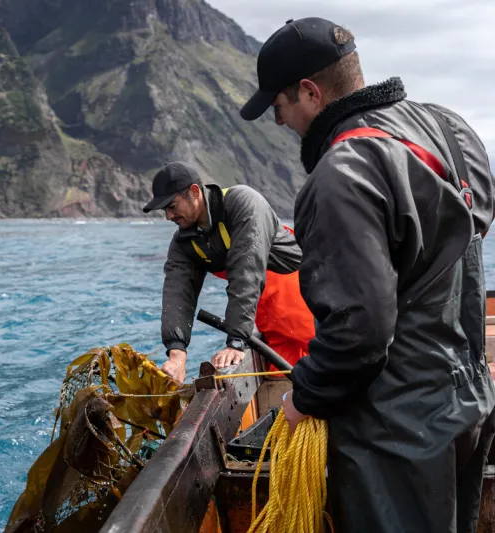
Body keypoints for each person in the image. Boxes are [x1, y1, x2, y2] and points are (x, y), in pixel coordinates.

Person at [240, 16, 495, 533]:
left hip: (398, 430)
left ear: (310, 93)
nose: (279, 122)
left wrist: (302, 398)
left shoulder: (341, 173)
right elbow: (478, 217)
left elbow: (360, 331)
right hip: (470, 402)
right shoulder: (449, 127)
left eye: (279, 107)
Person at [142, 161, 315, 384]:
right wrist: (177, 354)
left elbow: (247, 270)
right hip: (265, 313)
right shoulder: (183, 241)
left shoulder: (244, 203)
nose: (168, 216)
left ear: (194, 192)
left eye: (172, 206)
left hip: (305, 300)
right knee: (281, 379)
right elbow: (177, 292)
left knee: (320, 369)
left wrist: (236, 342)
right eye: (164, 210)